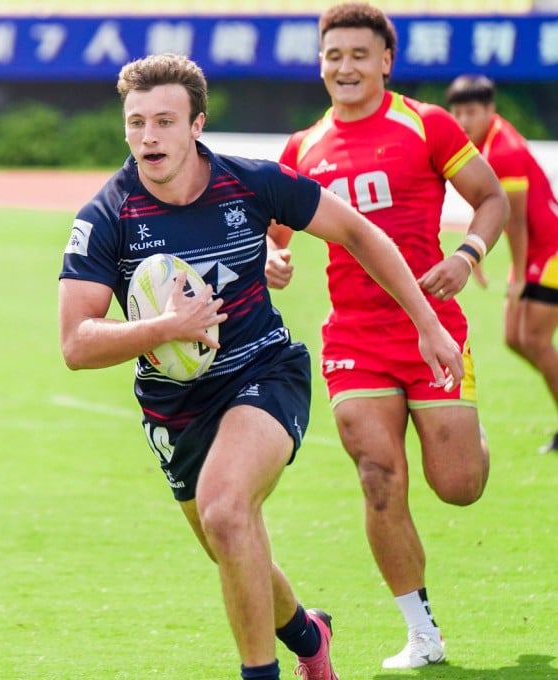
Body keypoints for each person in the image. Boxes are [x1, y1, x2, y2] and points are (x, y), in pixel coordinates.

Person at [59, 52, 466, 680]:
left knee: (226, 510)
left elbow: (359, 232)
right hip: (175, 410)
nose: (147, 136)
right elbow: (77, 343)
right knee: (230, 541)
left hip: (263, 372)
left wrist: (428, 323)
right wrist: (167, 328)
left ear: (197, 125)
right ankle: (309, 634)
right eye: (136, 122)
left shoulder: (252, 182)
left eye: (164, 121)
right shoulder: (106, 216)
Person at [268, 3, 508, 670]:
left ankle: (469, 439)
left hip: (431, 329)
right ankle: (422, 634)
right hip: (354, 339)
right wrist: (273, 258)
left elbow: (492, 199)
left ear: (384, 62)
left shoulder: (426, 124)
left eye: (358, 55)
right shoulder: (301, 149)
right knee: (378, 476)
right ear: (321, 63)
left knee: (458, 484)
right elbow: (276, 234)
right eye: (332, 55)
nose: (344, 66)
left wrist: (467, 256)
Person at [446, 74, 558, 455]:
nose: (462, 120)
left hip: (550, 253)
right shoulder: (486, 142)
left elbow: (519, 222)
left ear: (490, 110)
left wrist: (522, 277)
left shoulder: (504, 150)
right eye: (457, 111)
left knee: (536, 340)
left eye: (471, 111)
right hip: (535, 254)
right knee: (515, 338)